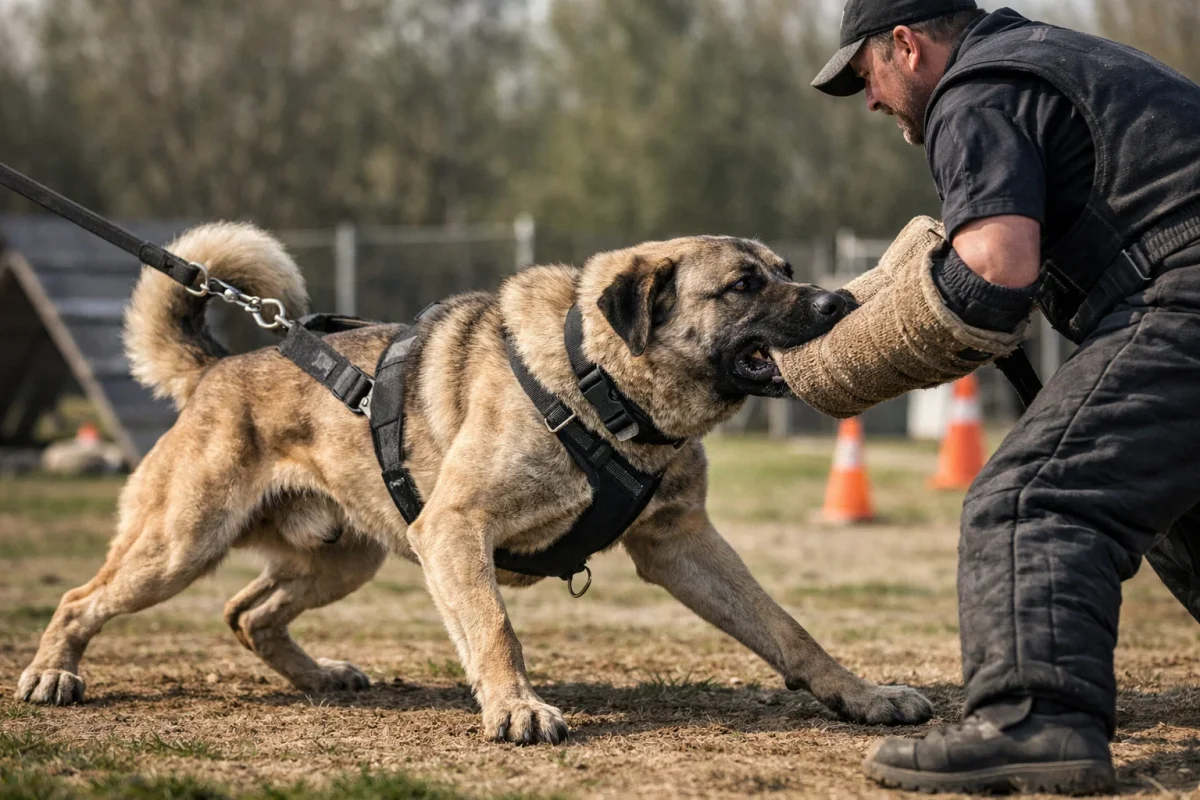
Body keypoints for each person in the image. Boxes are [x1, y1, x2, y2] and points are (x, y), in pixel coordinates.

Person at [800, 0, 1200, 794]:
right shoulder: (1053, 56)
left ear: (905, 46)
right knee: (1170, 500)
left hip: (1183, 290)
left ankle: (1035, 720)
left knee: (1035, 497)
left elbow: (993, 269)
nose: (872, 100)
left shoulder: (975, 91)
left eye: (865, 76)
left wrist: (860, 344)